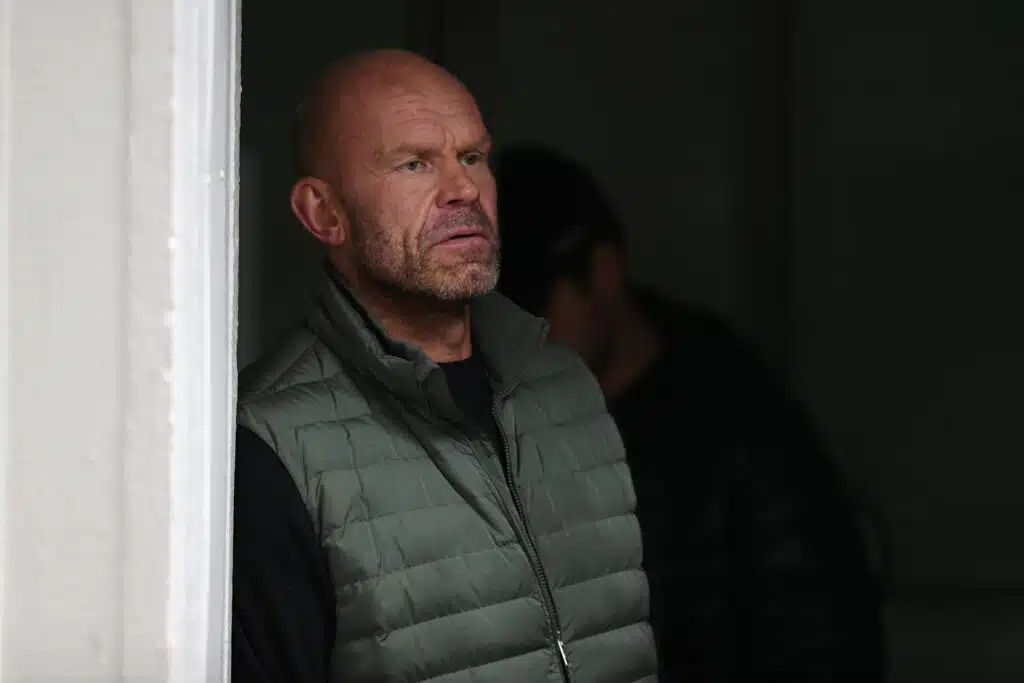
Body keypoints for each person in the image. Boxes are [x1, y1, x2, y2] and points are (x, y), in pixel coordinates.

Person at [231, 52, 659, 683]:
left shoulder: (565, 385)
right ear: (324, 213)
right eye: (414, 163)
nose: (463, 189)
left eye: (473, 156)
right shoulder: (270, 443)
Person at [495, 144, 887, 683]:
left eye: (533, 314)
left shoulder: (740, 429)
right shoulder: (494, 428)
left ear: (602, 273)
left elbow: (823, 643)